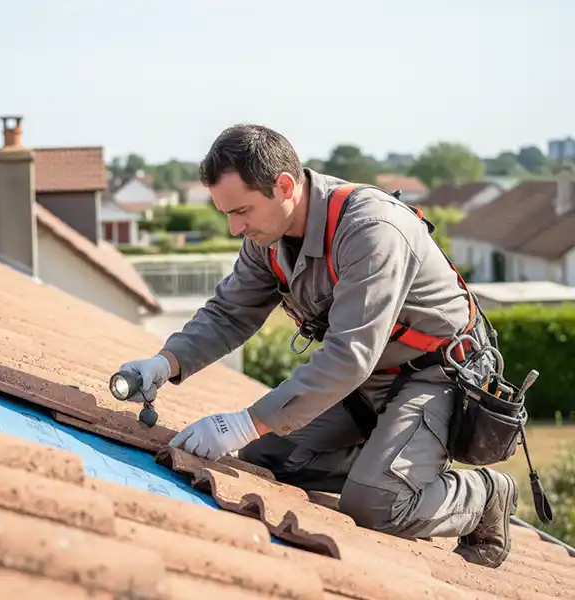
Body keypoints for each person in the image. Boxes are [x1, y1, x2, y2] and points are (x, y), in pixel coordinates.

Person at [117, 123, 518, 569]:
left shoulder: (372, 230)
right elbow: (231, 313)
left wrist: (245, 421)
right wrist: (164, 362)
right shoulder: (267, 238)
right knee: (267, 457)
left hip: (436, 377)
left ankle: (484, 496)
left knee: (375, 505)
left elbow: (349, 355)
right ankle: (389, 465)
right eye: (226, 214)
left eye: (242, 211)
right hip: (367, 382)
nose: (234, 228)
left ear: (284, 186)